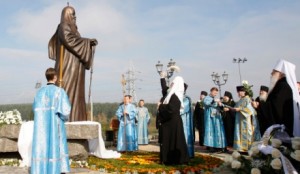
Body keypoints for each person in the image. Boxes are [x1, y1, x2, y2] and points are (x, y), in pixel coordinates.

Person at [48, 5, 98, 121]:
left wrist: (87, 44)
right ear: (67, 15)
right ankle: (68, 118)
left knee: (77, 94)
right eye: (73, 14)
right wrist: (87, 41)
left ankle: (77, 117)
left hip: (76, 67)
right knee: (68, 90)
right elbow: (69, 40)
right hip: (68, 66)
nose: (75, 17)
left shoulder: (74, 29)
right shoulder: (63, 26)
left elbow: (75, 41)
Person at [31, 68, 71, 174]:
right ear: (55, 77)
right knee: (55, 145)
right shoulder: (59, 91)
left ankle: (40, 170)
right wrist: (63, 118)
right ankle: (54, 170)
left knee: (42, 146)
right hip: (55, 124)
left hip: (41, 126)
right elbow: (66, 110)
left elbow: (34, 108)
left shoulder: (39, 93)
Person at [252, 59, 300, 137]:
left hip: (280, 130)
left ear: (281, 74)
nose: (271, 73)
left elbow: (276, 107)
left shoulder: (283, 86)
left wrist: (259, 106)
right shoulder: (280, 85)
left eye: (274, 71)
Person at [158, 76, 189, 165]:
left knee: (174, 141)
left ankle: (173, 159)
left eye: (173, 83)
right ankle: (169, 159)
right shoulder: (173, 95)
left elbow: (171, 110)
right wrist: (162, 78)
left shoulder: (175, 96)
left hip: (172, 123)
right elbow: (164, 89)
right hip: (171, 122)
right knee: (172, 141)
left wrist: (160, 106)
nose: (171, 84)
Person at [233, 86, 257, 152]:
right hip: (239, 120)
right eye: (238, 92)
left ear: (244, 92)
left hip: (246, 120)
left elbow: (250, 110)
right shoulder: (239, 100)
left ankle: (248, 148)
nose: (239, 93)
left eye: (240, 92)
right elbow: (235, 107)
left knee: (248, 133)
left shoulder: (248, 99)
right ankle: (240, 148)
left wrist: (240, 109)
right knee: (239, 133)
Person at [203, 87, 226, 152]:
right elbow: (206, 104)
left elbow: (222, 106)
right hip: (210, 118)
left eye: (216, 93)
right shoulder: (207, 98)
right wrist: (213, 101)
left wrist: (220, 105)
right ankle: (210, 146)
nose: (215, 94)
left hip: (217, 117)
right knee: (210, 131)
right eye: (214, 92)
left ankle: (218, 145)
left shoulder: (216, 99)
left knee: (217, 131)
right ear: (211, 91)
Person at [181, 83, 194, 158]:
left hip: (184, 122)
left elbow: (181, 109)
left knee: (184, 135)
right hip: (179, 121)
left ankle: (186, 153)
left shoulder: (186, 98)